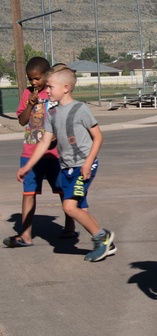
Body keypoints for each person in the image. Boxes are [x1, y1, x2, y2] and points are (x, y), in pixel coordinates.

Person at [16, 65, 116, 262]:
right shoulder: (52, 114)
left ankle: (102, 237)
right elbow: (45, 142)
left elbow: (98, 137)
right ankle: (103, 240)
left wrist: (88, 163)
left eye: (51, 87)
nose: (48, 90)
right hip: (67, 167)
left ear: (66, 88)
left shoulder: (80, 109)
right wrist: (27, 167)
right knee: (75, 207)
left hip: (83, 165)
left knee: (70, 207)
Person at [5, 56, 75, 248]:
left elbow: (66, 119)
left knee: (63, 190)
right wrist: (30, 103)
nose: (34, 83)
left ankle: (70, 225)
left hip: (54, 155)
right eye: (31, 79)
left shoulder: (55, 93)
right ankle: (26, 235)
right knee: (28, 193)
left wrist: (56, 137)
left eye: (37, 79)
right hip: (30, 152)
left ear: (46, 76)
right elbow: (22, 121)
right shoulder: (28, 94)